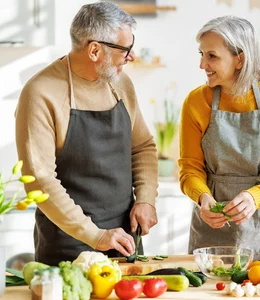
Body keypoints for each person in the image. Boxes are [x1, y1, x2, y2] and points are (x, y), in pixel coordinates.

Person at [15, 2, 158, 265]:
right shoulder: (41, 92)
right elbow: (39, 180)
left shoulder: (121, 84)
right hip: (68, 248)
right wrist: (95, 235)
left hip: (124, 240)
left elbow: (143, 147)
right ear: (94, 50)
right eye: (125, 49)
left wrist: (146, 199)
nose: (132, 56)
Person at [179, 16, 260, 261]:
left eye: (212, 56)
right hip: (212, 230)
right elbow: (189, 169)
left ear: (240, 59)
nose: (202, 64)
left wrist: (254, 197)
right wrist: (203, 198)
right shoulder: (196, 102)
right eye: (201, 54)